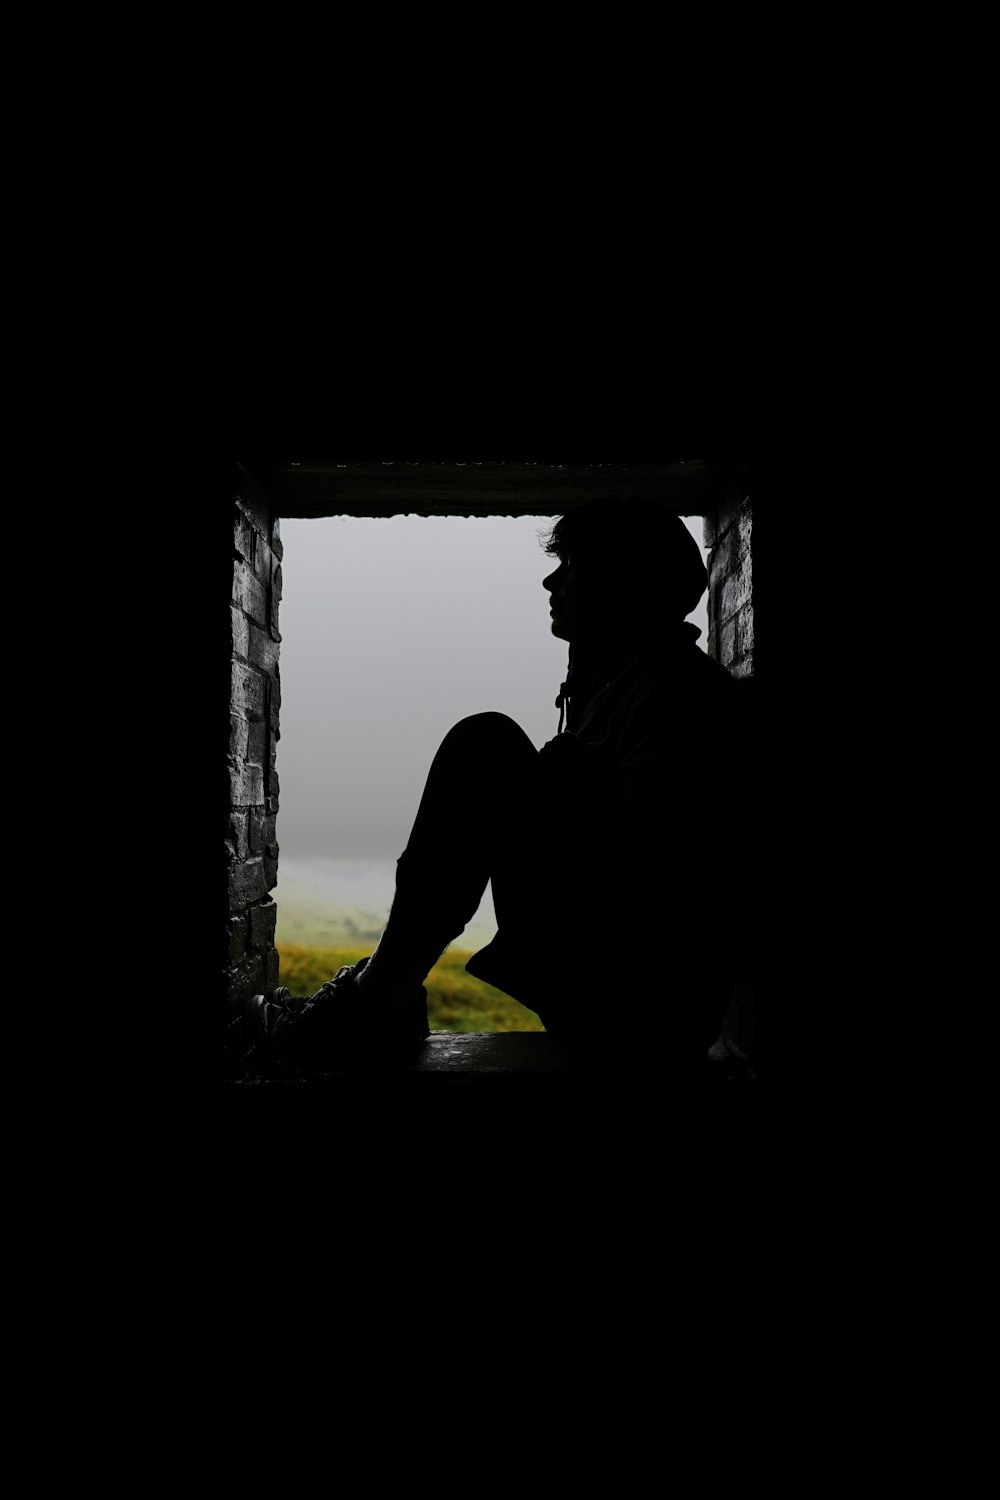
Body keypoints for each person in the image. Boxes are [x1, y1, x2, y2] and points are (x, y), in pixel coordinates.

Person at [239, 497, 740, 1077]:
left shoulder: (689, 697)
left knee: (487, 745)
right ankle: (381, 995)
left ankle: (378, 1004)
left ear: (624, 580)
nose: (552, 580)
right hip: (631, 1001)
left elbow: (653, 865)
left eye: (572, 564)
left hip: (647, 1013)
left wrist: (563, 770)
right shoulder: (635, 687)